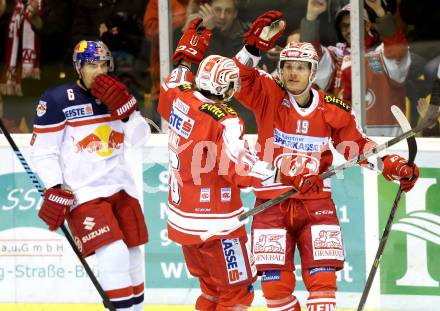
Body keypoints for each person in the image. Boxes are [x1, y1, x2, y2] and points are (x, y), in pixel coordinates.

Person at [232, 11, 420, 311]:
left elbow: (358, 147)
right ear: (280, 70)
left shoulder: (333, 110)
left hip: (315, 205)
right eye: (288, 67)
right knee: (275, 290)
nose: (293, 73)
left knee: (323, 289)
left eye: (301, 68)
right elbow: (238, 78)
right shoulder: (267, 94)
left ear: (313, 72)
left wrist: (392, 165)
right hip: (271, 204)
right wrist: (252, 49)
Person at [157, 18, 278, 310]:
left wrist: (186, 58)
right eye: (232, 85)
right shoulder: (226, 119)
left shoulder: (179, 97)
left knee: (211, 291)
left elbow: (176, 79)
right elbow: (238, 167)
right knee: (237, 293)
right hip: (218, 224)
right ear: (224, 88)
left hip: (182, 222)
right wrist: (277, 173)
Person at [30, 40, 150, 311]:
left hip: (122, 188)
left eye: (103, 64)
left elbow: (140, 140)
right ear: (78, 67)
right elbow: (43, 151)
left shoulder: (119, 92)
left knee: (133, 255)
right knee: (114, 254)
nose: (99, 71)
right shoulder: (57, 100)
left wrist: (128, 112)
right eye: (91, 65)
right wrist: (55, 186)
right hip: (83, 193)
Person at [300, 0, 411, 136]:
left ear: (368, 25)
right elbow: (310, 55)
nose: (349, 29)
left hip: (388, 144)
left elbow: (396, 47)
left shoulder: (383, 54)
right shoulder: (337, 58)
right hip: (347, 144)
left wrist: (380, 12)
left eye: (355, 23)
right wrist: (311, 16)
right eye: (345, 26)